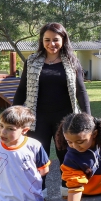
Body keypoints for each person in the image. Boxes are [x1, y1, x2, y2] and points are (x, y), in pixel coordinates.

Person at [13, 22, 91, 191]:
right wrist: (13, 115)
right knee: (37, 161)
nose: (51, 44)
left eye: (55, 39)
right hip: (37, 120)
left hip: (65, 121)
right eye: (47, 40)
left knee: (67, 160)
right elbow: (22, 90)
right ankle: (39, 200)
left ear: (63, 40)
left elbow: (81, 91)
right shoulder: (32, 61)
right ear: (42, 41)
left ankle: (68, 200)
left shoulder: (72, 62)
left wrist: (88, 118)